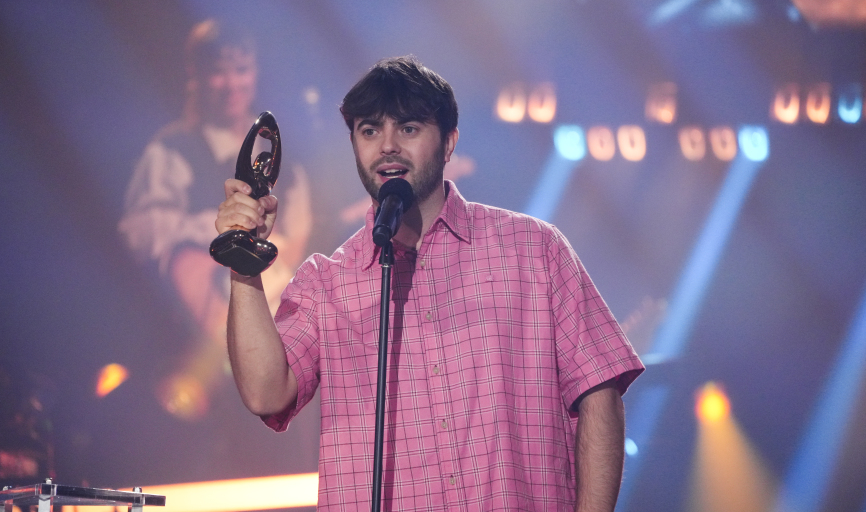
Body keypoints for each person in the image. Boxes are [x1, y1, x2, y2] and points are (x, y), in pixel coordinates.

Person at [217, 56, 644, 511]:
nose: (386, 147)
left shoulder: (533, 249)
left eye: (408, 128)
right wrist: (242, 262)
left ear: (448, 142)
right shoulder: (328, 282)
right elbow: (266, 392)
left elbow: (600, 392)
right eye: (369, 131)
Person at [119, 19, 312, 419]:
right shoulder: (172, 150)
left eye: (241, 69)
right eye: (219, 71)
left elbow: (299, 232)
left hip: (274, 312)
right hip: (192, 330)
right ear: (198, 75)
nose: (231, 83)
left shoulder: (281, 157)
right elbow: (146, 233)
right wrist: (215, 232)